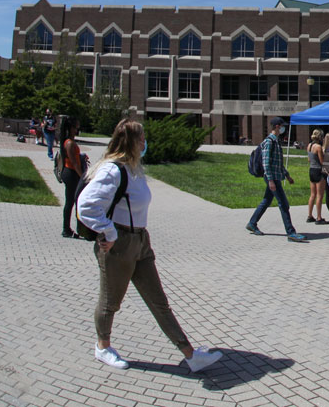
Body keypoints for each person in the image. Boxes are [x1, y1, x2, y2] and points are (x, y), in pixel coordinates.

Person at [77, 119, 223, 373]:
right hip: (119, 244)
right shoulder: (113, 170)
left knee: (159, 302)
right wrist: (109, 232)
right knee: (111, 302)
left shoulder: (134, 169)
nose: (145, 143)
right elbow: (85, 205)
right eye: (142, 139)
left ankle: (190, 355)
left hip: (141, 242)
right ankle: (103, 347)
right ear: (131, 142)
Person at [246, 118, 307, 242]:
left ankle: (252, 223)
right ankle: (291, 233)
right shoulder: (269, 142)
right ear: (277, 127)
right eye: (283, 127)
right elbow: (266, 163)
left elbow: (278, 163)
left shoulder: (276, 141)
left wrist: (287, 175)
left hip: (276, 176)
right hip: (272, 178)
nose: (284, 129)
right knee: (284, 204)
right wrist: (270, 181)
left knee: (266, 201)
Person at [59, 116, 85, 239]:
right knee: (71, 202)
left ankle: (73, 229)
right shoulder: (69, 143)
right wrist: (83, 177)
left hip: (72, 173)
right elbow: (74, 163)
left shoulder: (70, 142)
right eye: (76, 127)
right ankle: (67, 229)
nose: (77, 130)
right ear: (70, 128)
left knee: (73, 201)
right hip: (71, 174)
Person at [305, 130, 328, 224]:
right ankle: (319, 217)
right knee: (319, 195)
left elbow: (309, 159)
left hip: (311, 170)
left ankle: (310, 215)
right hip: (319, 170)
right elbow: (322, 161)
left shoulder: (309, 145)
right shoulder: (318, 147)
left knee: (312, 194)